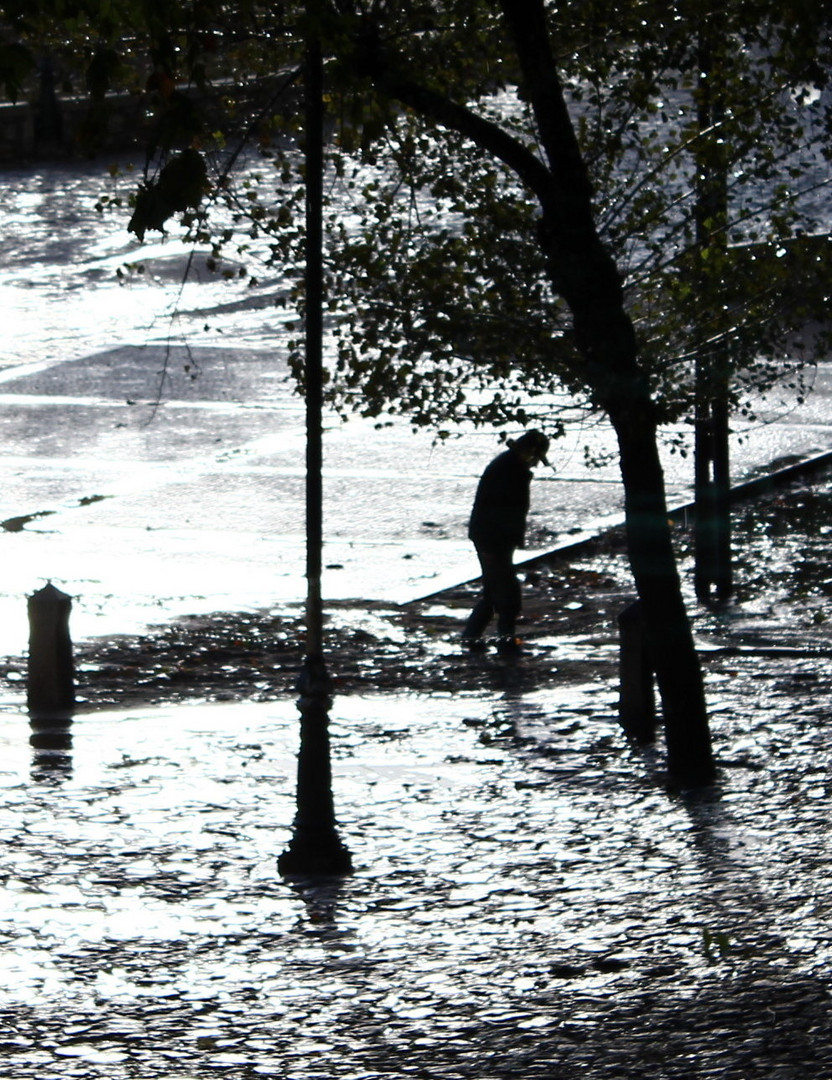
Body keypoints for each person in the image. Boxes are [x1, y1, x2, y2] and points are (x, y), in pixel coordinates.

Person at [462, 429, 550, 655]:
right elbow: (499, 510)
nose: (535, 464)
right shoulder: (510, 472)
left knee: (495, 590)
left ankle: (474, 638)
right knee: (506, 593)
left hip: (494, 538)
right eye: (535, 457)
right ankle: (503, 639)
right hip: (493, 538)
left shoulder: (509, 467)